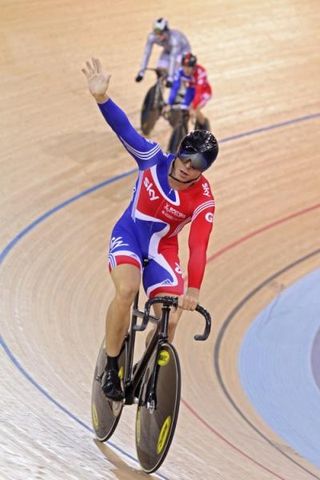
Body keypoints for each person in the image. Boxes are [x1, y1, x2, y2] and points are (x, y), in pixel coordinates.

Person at [82, 58, 219, 401]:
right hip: (130, 235)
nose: (189, 168)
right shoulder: (152, 158)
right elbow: (124, 129)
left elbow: (199, 247)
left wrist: (195, 291)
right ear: (181, 150)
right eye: (187, 158)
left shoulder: (203, 199)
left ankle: (146, 373)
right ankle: (112, 367)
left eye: (199, 166)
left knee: (169, 322)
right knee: (126, 292)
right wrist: (102, 98)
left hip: (162, 251)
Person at [135, 18, 191, 88]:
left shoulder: (174, 40)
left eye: (161, 33)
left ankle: (182, 88)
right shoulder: (152, 37)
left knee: (175, 71)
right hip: (168, 49)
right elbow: (147, 53)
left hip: (182, 51)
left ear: (166, 31)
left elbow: (173, 59)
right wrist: (141, 72)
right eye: (156, 33)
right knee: (160, 71)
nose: (158, 36)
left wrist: (170, 78)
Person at [167, 52, 213, 129]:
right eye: (184, 67)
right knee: (183, 107)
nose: (186, 70)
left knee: (195, 109)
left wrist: (193, 106)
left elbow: (198, 92)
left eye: (189, 67)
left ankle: (204, 126)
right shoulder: (180, 72)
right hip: (191, 89)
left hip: (203, 91)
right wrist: (169, 102)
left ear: (194, 67)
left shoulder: (201, 72)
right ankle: (183, 129)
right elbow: (175, 87)